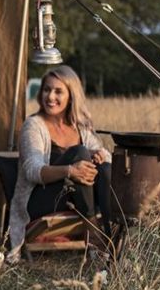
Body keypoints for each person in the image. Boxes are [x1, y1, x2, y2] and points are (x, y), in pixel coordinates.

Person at [6, 65, 111, 261]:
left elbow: (106, 157)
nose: (50, 96)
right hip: (41, 201)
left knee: (102, 165)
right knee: (79, 152)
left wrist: (98, 154)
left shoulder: (79, 126)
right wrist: (70, 171)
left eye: (58, 91)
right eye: (46, 89)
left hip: (74, 199)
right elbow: (32, 171)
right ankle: (95, 233)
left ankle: (112, 227)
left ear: (71, 96)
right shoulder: (34, 125)